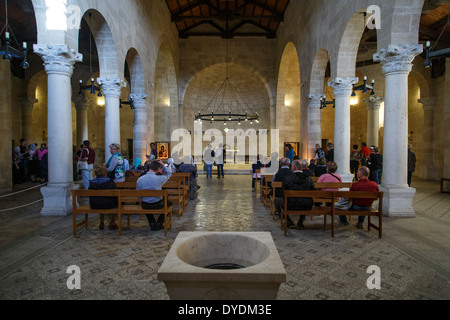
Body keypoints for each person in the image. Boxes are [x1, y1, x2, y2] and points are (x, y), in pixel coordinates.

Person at [137, 159, 173, 231]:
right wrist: (163, 164)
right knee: (169, 203)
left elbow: (138, 194)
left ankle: (152, 222)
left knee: (146, 203)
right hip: (157, 204)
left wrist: (142, 200)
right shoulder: (160, 178)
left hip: (145, 204)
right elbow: (169, 173)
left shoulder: (140, 179)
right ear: (157, 170)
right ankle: (159, 223)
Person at [280, 159, 315, 230]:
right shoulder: (309, 178)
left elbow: (282, 193)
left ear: (294, 167)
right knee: (304, 199)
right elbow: (313, 191)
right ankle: (300, 222)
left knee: (278, 202)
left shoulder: (287, 178)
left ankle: (289, 221)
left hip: (290, 205)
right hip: (306, 205)